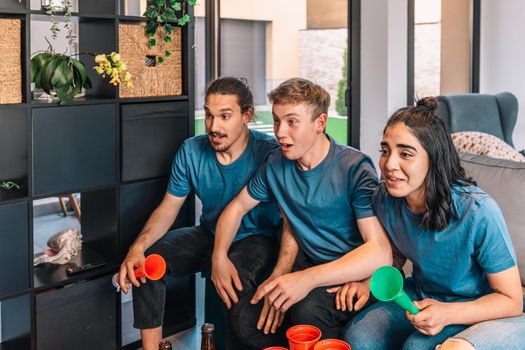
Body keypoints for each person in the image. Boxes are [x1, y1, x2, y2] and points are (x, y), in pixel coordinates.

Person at [211, 78, 393, 348]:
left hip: (353, 273)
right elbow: (236, 208)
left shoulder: (354, 168)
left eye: (292, 122)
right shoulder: (276, 165)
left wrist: (304, 280)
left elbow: (380, 253)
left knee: (307, 311)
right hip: (310, 264)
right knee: (245, 317)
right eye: (276, 121)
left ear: (319, 123)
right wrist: (218, 256)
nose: (280, 132)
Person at [341, 96, 525, 350]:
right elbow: (395, 253)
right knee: (359, 338)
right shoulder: (385, 199)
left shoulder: (478, 211)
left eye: (406, 153)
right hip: (423, 293)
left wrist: (447, 313)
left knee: (416, 347)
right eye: (385, 151)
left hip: (480, 306)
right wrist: (367, 282)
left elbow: (512, 301)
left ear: (433, 158)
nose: (389, 164)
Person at [117, 77, 282, 350]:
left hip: (255, 238)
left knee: (234, 283)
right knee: (147, 265)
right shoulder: (191, 151)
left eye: (225, 116)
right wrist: (138, 247)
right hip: (209, 233)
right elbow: (169, 207)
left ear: (247, 116)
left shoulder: (269, 154)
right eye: (209, 115)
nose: (214, 126)